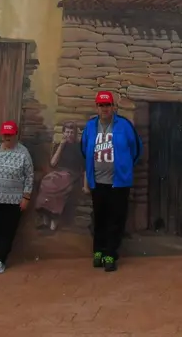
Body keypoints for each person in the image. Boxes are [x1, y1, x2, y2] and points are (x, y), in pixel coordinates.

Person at [80, 90, 142, 272]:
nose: (105, 108)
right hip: (98, 181)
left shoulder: (124, 125)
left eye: (108, 105)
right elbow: (84, 149)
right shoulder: (91, 126)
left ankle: (110, 254)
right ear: (96, 107)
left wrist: (125, 167)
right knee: (99, 217)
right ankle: (98, 251)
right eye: (101, 105)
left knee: (116, 218)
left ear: (113, 107)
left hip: (119, 182)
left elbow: (136, 149)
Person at [0, 121, 34, 274]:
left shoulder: (23, 153)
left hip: (14, 199)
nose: (7, 136)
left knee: (8, 230)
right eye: (5, 134)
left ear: (15, 135)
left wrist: (26, 197)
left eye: (10, 134)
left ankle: (0, 260)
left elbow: (29, 176)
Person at [36, 121, 85, 231]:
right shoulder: (60, 145)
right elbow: (53, 163)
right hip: (58, 172)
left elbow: (83, 167)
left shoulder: (79, 147)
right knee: (45, 182)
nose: (69, 134)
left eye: (72, 132)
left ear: (75, 134)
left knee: (58, 186)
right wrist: (61, 146)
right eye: (67, 132)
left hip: (72, 174)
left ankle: (54, 219)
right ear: (63, 133)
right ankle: (45, 218)